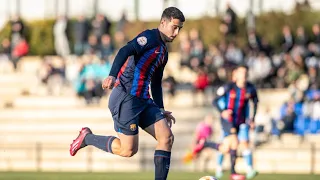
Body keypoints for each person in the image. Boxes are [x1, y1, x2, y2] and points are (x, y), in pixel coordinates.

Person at [69, 7, 185, 180]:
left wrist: (161, 109)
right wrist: (112, 75)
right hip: (126, 98)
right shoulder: (150, 37)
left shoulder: (163, 52)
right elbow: (125, 50)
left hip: (143, 100)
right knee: (128, 150)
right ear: (163, 22)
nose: (176, 32)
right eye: (174, 27)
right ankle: (88, 138)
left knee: (166, 137)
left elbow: (156, 82)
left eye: (179, 29)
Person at [213, 65, 259, 179]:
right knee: (228, 144)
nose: (244, 75)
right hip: (228, 121)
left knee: (244, 143)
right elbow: (215, 100)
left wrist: (253, 119)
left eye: (245, 73)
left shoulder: (250, 88)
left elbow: (256, 102)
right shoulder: (229, 87)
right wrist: (222, 111)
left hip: (242, 120)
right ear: (236, 74)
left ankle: (249, 169)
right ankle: (221, 168)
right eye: (241, 73)